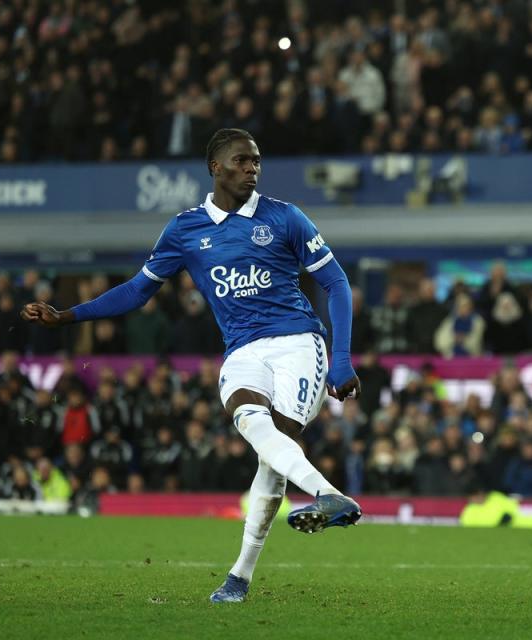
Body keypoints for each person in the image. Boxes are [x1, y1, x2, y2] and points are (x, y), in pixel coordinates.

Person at [21, 128, 362, 604]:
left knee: (273, 452)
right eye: (242, 161)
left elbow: (337, 283)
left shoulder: (285, 218)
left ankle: (239, 578)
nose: (252, 169)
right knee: (253, 424)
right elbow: (137, 290)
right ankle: (327, 494)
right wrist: (68, 315)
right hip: (241, 350)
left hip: (298, 344)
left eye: (257, 162)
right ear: (215, 168)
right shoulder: (185, 230)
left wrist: (341, 360)